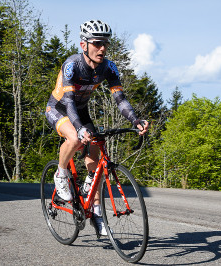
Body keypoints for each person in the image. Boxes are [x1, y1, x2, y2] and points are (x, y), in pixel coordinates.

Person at [45, 20, 149, 234]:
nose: (102, 48)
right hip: (60, 108)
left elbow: (120, 99)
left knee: (99, 151)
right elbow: (69, 102)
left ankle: (96, 209)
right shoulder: (72, 65)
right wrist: (79, 129)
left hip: (80, 111)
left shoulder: (108, 67)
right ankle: (61, 174)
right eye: (97, 43)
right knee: (74, 138)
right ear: (84, 45)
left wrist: (135, 121)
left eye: (106, 44)